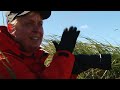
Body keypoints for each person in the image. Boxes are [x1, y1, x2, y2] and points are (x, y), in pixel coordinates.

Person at [0, 11, 80, 79]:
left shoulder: (34, 58)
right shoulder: (3, 61)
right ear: (11, 28)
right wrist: (63, 57)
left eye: (40, 24)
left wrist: (71, 71)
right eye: (29, 23)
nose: (37, 29)